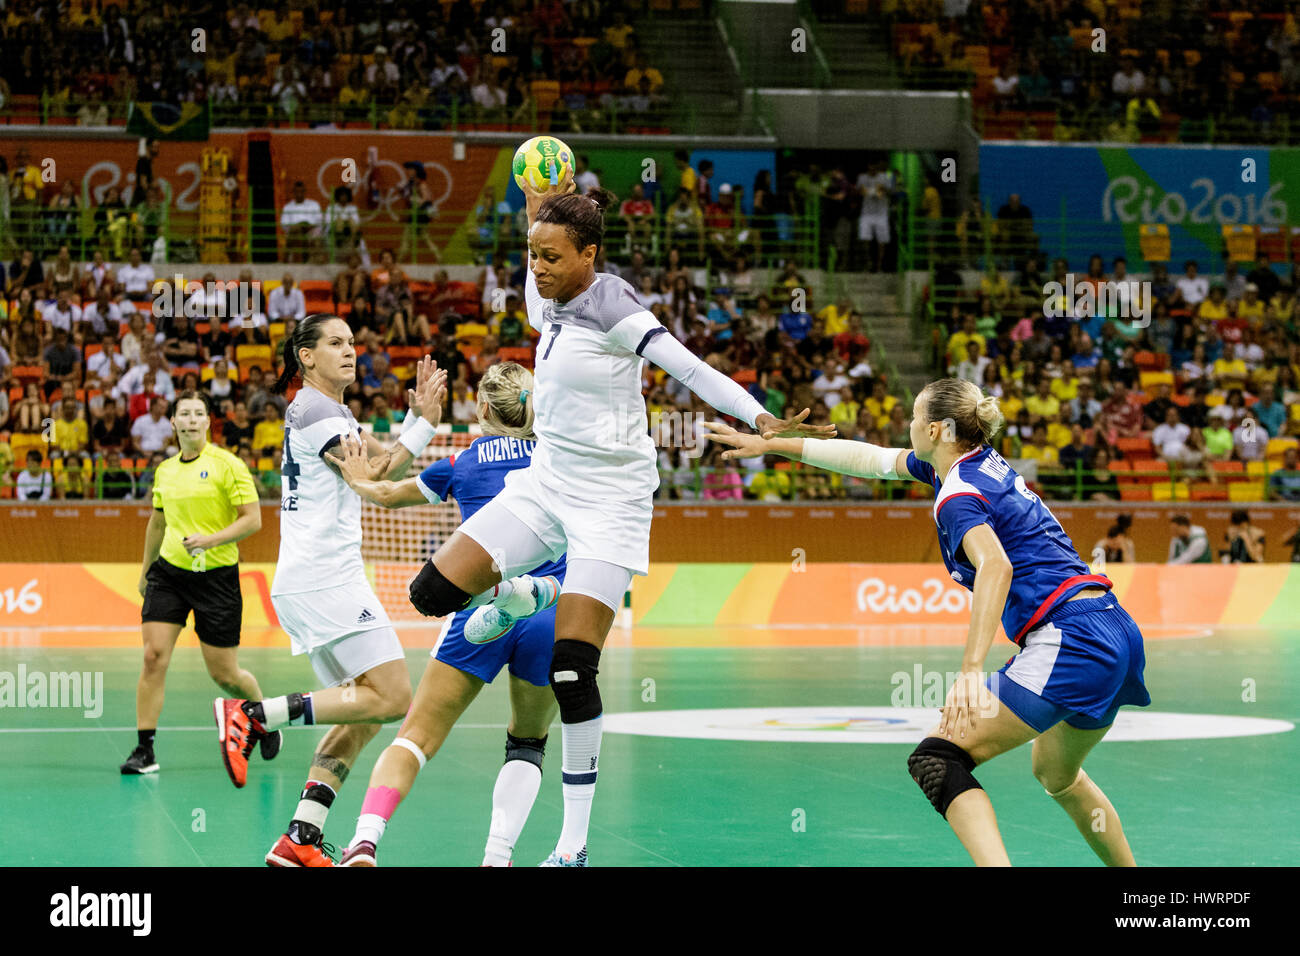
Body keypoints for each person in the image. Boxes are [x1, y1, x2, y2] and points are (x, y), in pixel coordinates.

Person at [407, 178, 833, 867]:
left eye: (551, 256)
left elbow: (690, 370)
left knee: (573, 671)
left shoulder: (614, 306)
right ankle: (531, 594)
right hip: (546, 483)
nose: (538, 268)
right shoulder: (547, 301)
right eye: (533, 255)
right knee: (430, 595)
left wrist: (760, 418)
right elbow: (532, 268)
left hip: (611, 498)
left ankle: (571, 847)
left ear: (588, 255)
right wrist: (534, 203)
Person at [705, 377, 1148, 866]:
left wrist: (970, 671)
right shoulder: (973, 465)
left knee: (938, 758)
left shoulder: (958, 494)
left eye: (915, 418)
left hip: (1072, 640)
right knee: (1056, 775)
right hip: (1115, 629)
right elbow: (868, 460)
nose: (908, 425)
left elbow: (995, 566)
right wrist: (772, 445)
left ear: (936, 429)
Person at [212, 314, 448, 867]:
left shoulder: (325, 411)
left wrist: (421, 422)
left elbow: (374, 466)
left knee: (360, 714)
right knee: (392, 697)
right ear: (306, 357)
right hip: (325, 579)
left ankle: (301, 837)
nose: (350, 352)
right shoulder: (318, 410)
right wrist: (423, 432)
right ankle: (255, 715)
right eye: (335, 344)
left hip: (316, 578)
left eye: (352, 343)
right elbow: (371, 482)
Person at [324, 363, 563, 867]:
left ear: (481, 410)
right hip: (548, 612)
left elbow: (386, 495)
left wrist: (358, 478)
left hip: (481, 605)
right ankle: (497, 858)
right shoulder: (560, 461)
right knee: (528, 742)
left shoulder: (463, 461)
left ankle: (365, 840)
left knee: (415, 739)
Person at [120, 391, 269, 776]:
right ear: (172, 422)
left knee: (225, 674)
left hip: (216, 577)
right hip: (169, 573)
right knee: (154, 657)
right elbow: (157, 522)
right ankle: (144, 750)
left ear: (207, 422)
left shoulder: (228, 465)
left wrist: (211, 539)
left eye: (197, 414)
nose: (189, 420)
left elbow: (253, 519)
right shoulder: (165, 469)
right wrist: (144, 571)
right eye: (182, 414)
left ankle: (265, 716)